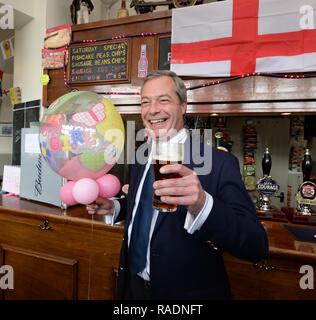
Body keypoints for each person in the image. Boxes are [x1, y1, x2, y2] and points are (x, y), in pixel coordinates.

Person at [87, 70, 269, 300]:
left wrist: (202, 204)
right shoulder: (139, 157)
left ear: (183, 106)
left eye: (163, 100)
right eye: (145, 102)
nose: (152, 110)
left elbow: (256, 246)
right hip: (132, 288)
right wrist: (116, 208)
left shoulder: (219, 163)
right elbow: (144, 206)